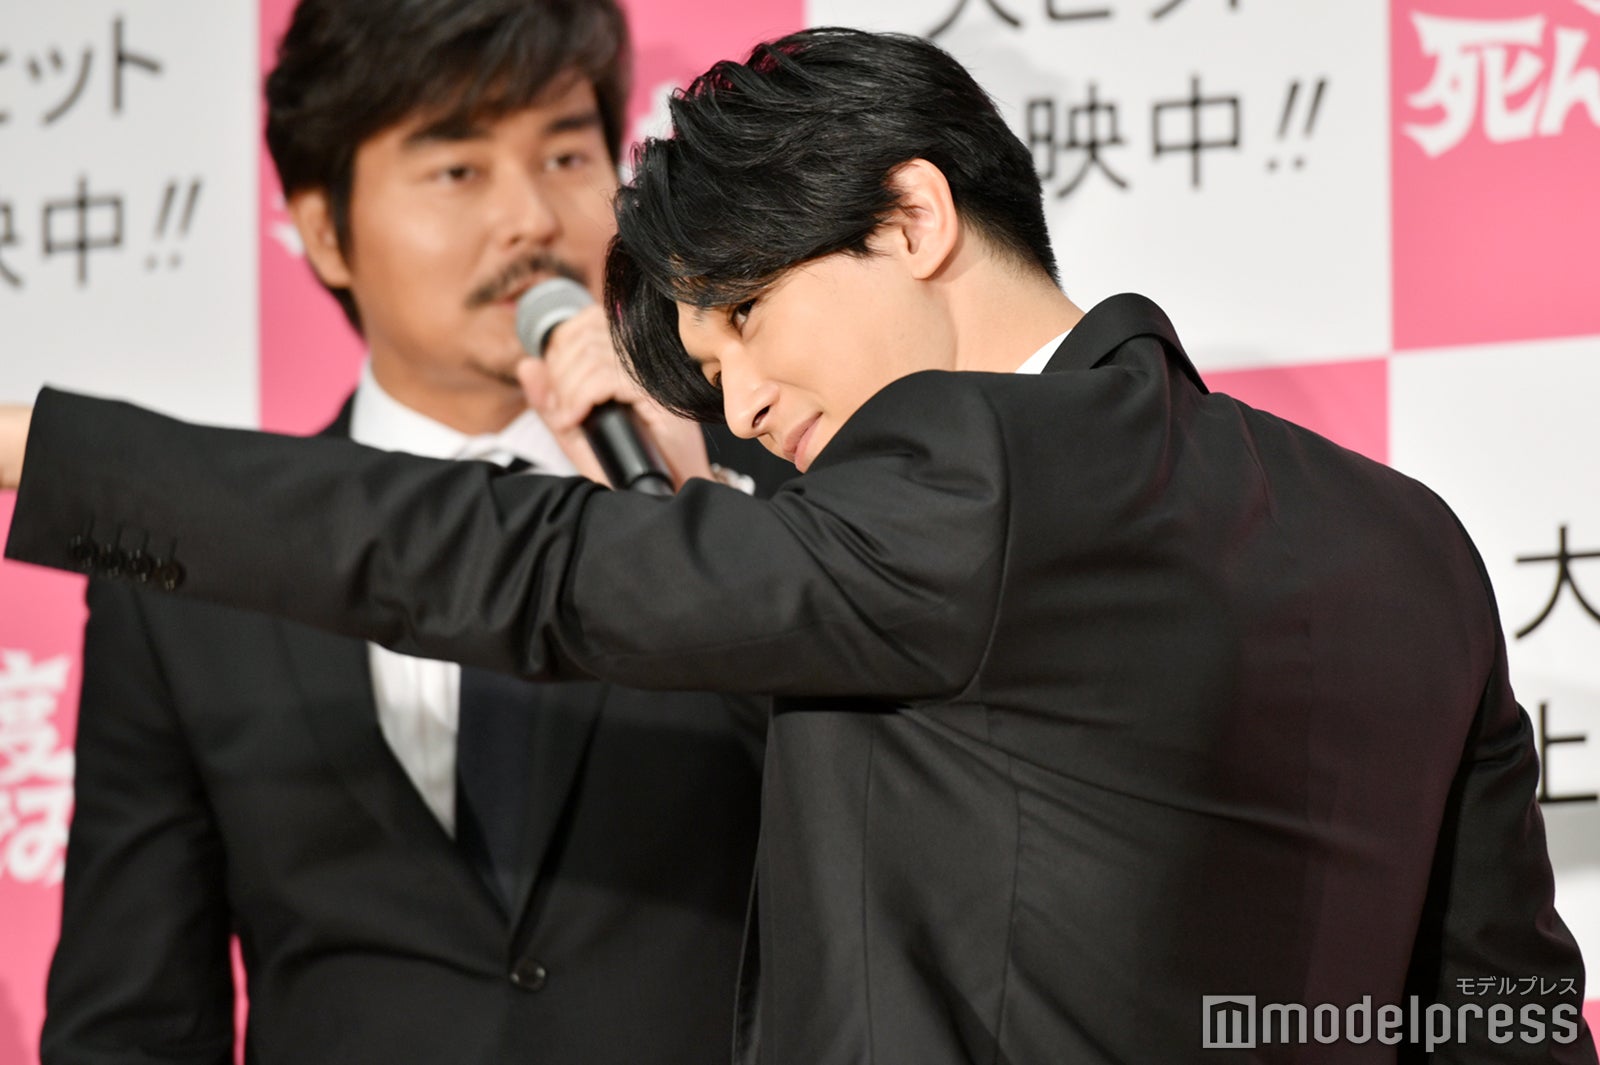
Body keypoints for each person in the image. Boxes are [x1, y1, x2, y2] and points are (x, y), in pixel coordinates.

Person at [4, 26, 1594, 1065]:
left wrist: (43, 450)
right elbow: (1510, 1013)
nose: (750, 404)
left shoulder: (968, 474)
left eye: (749, 320)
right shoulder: (1409, 538)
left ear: (911, 218)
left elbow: (528, 566)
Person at [22, 2, 787, 1063]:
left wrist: (698, 522)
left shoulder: (773, 499)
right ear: (324, 230)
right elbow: (132, 1023)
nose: (529, 219)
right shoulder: (194, 580)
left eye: (566, 155)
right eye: (457, 169)